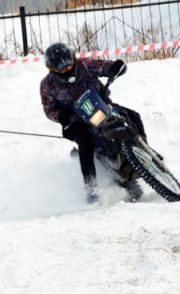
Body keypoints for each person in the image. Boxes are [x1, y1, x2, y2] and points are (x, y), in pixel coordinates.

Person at [40, 42, 145, 203]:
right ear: (51, 69)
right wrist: (61, 115)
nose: (66, 70)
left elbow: (106, 67)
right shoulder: (47, 85)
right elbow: (49, 110)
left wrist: (115, 67)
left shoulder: (86, 65)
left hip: (102, 106)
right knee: (85, 143)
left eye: (68, 66)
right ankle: (91, 190)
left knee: (133, 116)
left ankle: (145, 151)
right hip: (76, 120)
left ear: (73, 59)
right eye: (60, 70)